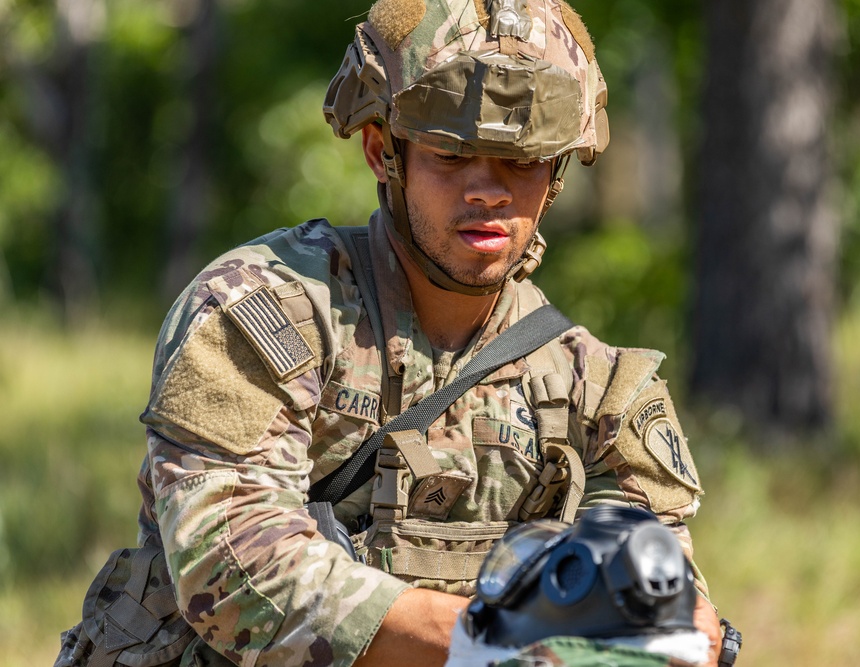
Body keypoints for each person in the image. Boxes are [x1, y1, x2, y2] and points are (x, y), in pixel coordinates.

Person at [131, 0, 721, 665]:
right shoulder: (265, 314)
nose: (490, 189)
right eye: (453, 152)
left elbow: (658, 593)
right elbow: (231, 565)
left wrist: (664, 627)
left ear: (555, 173)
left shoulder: (598, 390)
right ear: (384, 151)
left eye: (522, 160)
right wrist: (492, 639)